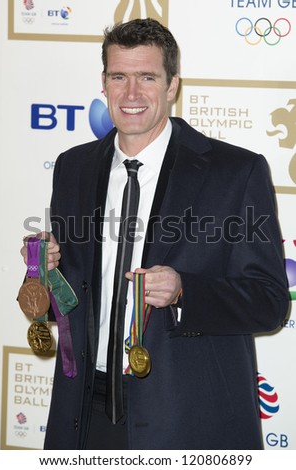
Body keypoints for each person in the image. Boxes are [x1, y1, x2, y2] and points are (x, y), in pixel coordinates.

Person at [20, 18, 289, 450]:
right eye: (119, 77)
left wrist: (186, 291)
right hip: (83, 416)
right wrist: (44, 274)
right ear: (103, 83)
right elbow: (72, 300)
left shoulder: (235, 172)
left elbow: (271, 302)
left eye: (147, 77)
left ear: (172, 85)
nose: (131, 94)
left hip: (187, 418)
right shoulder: (73, 167)